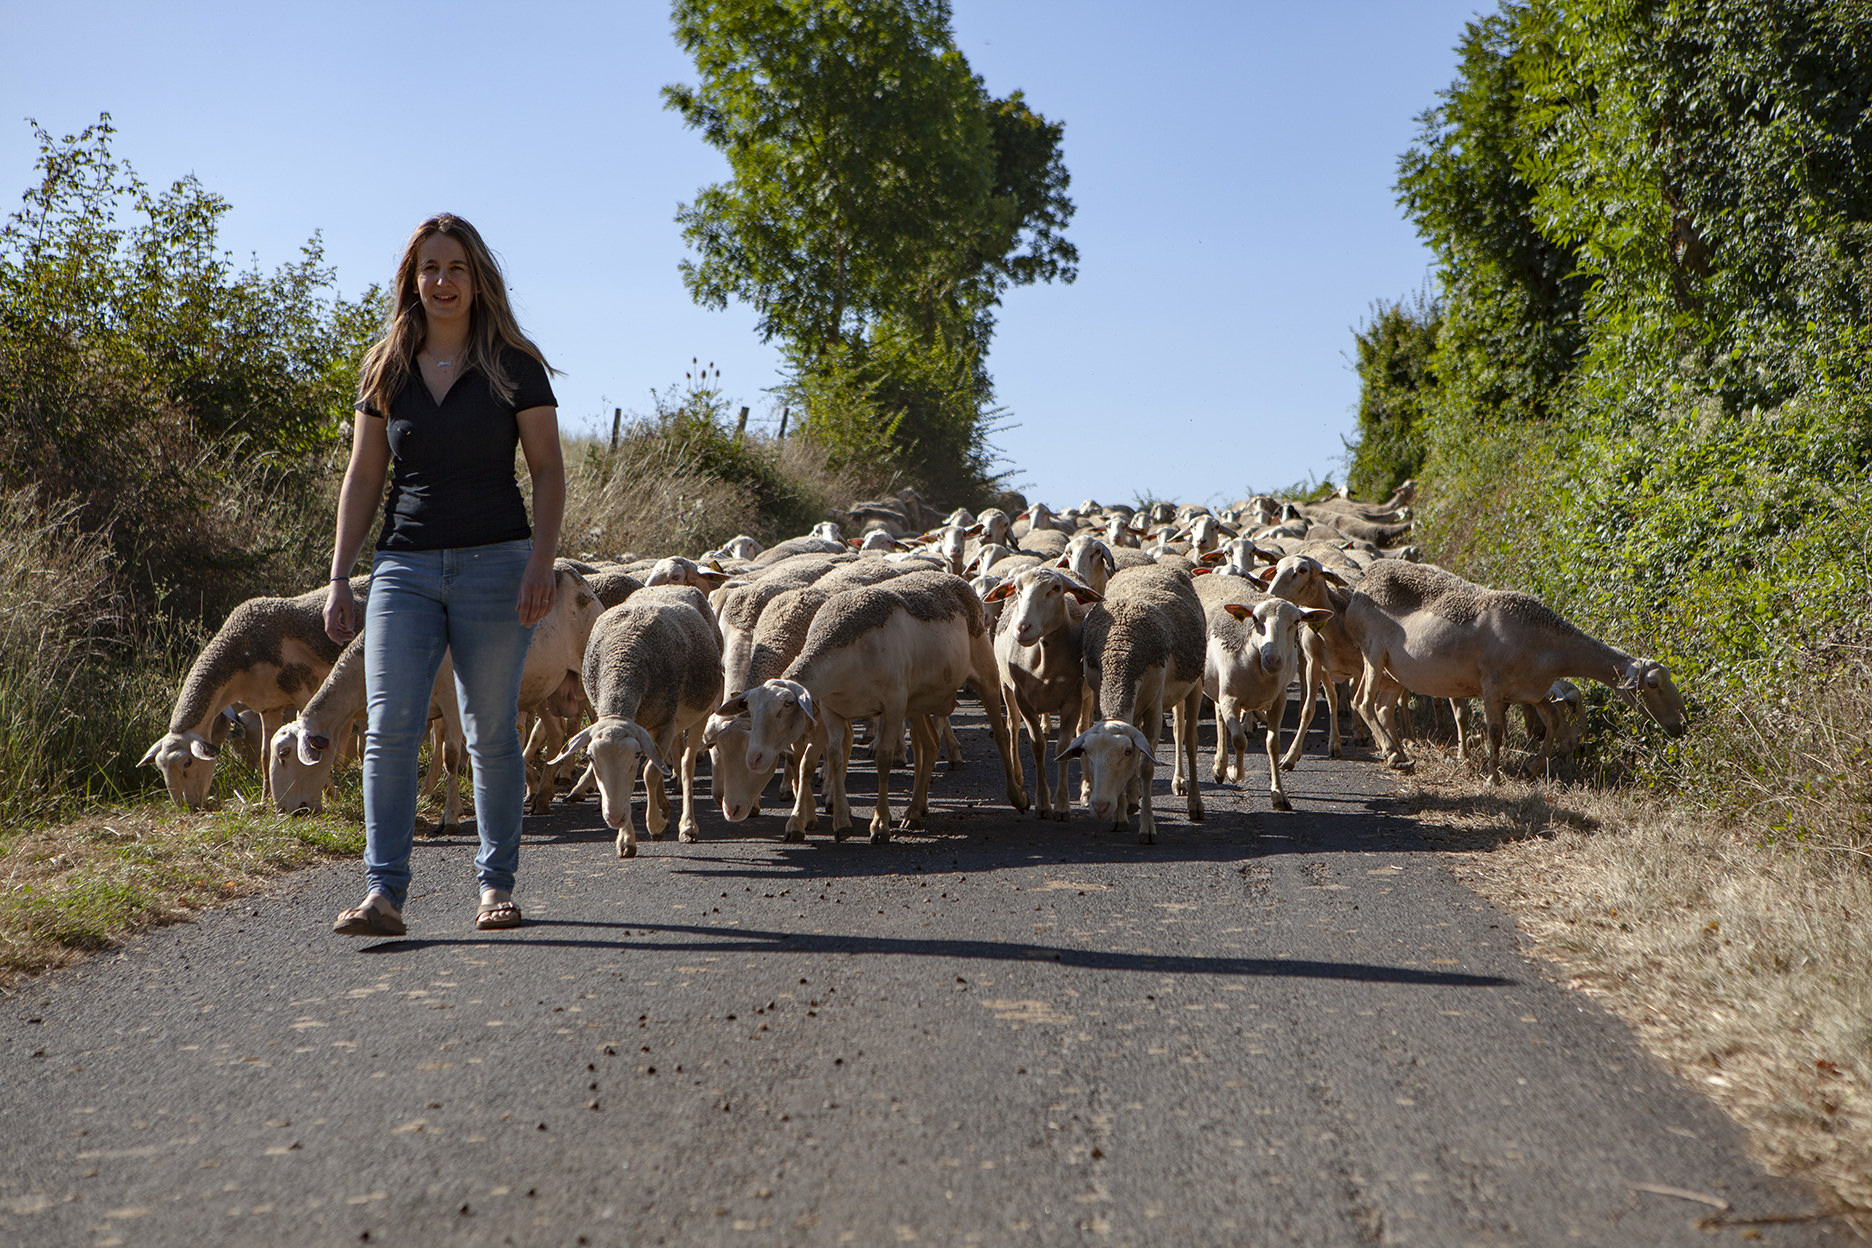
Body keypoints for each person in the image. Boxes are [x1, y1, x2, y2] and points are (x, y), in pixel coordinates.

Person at [324, 213, 564, 936]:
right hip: (402, 565)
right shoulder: (385, 364)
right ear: (411, 280)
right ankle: (384, 894)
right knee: (389, 728)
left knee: (488, 729)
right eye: (429, 268)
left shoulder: (514, 363)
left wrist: (541, 564)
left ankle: (497, 888)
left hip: (497, 562)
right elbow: (365, 475)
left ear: (477, 277)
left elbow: (548, 471)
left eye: (455, 267)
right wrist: (340, 576)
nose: (443, 281)